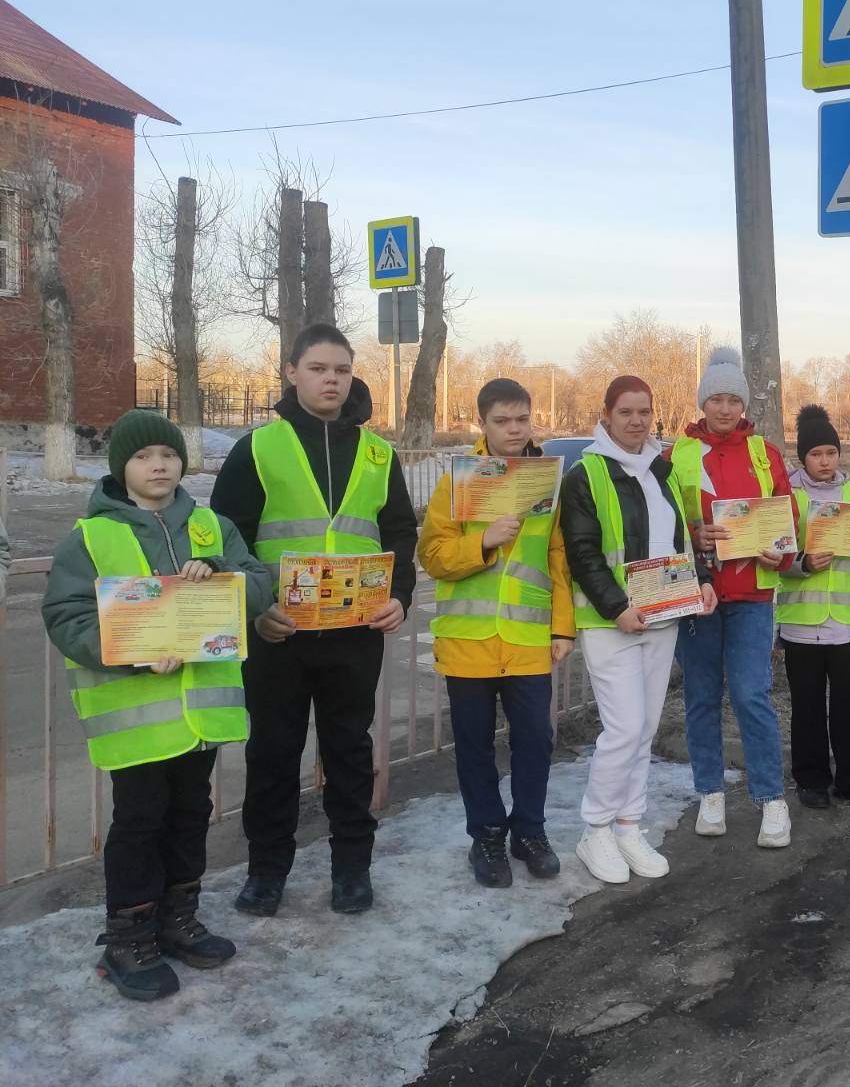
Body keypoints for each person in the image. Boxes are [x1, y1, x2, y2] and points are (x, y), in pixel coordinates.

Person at [42, 410, 273, 1000]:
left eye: (168, 455)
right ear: (122, 466)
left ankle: (177, 918)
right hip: (138, 721)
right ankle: (129, 937)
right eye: (144, 457)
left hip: (201, 715)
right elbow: (66, 617)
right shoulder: (92, 536)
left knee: (190, 813)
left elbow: (259, 580)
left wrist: (223, 576)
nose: (160, 465)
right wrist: (132, 653)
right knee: (140, 823)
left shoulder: (209, 526)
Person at [211, 323, 418, 918]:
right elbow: (225, 537)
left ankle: (352, 868)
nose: (332, 379)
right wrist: (256, 611)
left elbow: (399, 531)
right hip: (280, 633)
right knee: (273, 753)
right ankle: (266, 871)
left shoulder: (379, 453)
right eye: (319, 368)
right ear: (292, 373)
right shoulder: (259, 446)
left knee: (349, 752)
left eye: (342, 370)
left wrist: (400, 594)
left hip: (356, 634)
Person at [562, 375, 716, 884]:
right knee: (624, 727)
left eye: (644, 412)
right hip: (612, 622)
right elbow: (583, 554)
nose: (636, 421)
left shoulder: (663, 470)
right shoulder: (585, 474)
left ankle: (628, 825)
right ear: (606, 415)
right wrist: (615, 608)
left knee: (645, 728)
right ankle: (595, 829)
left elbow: (682, 541)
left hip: (664, 614)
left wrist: (704, 583)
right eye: (625, 412)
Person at [419, 378, 573, 887]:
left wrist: (563, 628)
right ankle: (486, 835)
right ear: (481, 424)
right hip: (469, 642)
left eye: (522, 419)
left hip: (528, 640)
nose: (513, 429)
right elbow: (433, 556)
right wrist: (483, 541)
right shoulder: (457, 483)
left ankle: (529, 831)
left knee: (535, 741)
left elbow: (557, 558)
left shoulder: (547, 480)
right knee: (474, 746)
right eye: (502, 421)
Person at [671, 347, 798, 849]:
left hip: (751, 594)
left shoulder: (763, 454)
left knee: (749, 694)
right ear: (703, 403)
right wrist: (694, 535)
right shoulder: (678, 454)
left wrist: (780, 555)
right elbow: (666, 525)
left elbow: (784, 517)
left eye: (733, 400)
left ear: (744, 405)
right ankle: (710, 793)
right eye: (716, 399)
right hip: (698, 595)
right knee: (701, 697)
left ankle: (771, 800)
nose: (724, 409)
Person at [776, 405, 850, 811]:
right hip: (802, 622)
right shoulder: (786, 495)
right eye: (816, 454)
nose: (825, 462)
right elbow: (773, 556)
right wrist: (801, 563)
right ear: (803, 458)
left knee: (849, 707)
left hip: (849, 624)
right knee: (806, 707)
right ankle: (811, 780)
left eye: (831, 453)